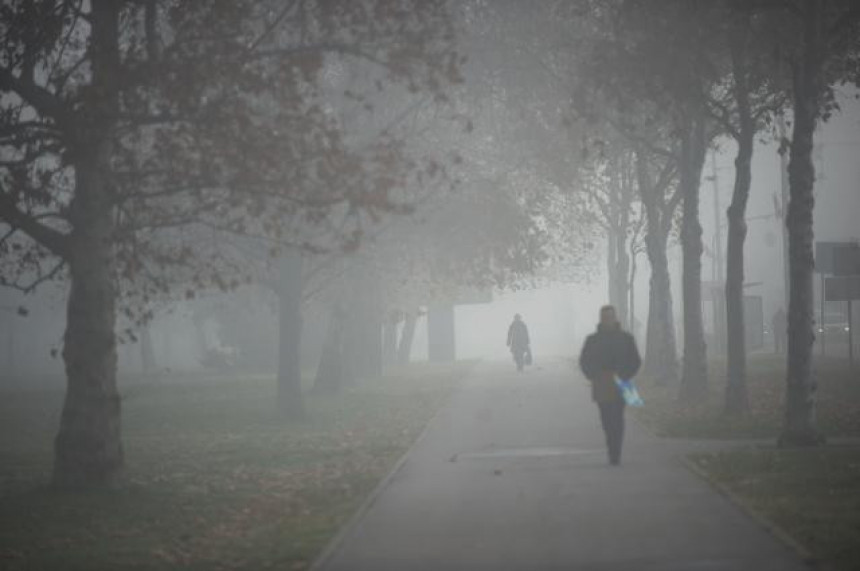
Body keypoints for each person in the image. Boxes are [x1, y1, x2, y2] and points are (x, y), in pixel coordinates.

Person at [579, 305, 641, 466]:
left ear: (615, 318)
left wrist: (626, 375)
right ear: (601, 319)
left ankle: (616, 452)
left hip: (623, 381)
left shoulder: (626, 338)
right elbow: (584, 361)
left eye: (610, 317)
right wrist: (593, 375)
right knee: (606, 418)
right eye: (605, 317)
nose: (608, 320)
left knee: (619, 417)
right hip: (601, 382)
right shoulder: (592, 340)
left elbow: (636, 360)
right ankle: (611, 446)